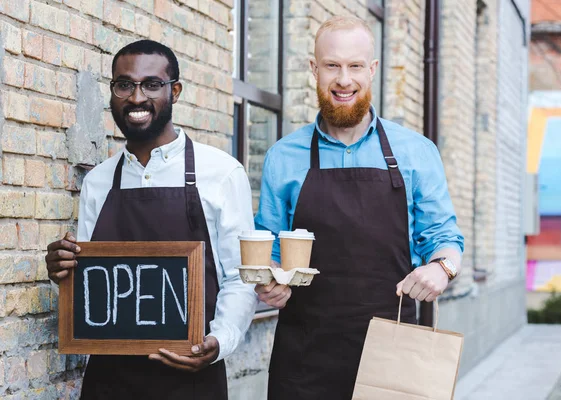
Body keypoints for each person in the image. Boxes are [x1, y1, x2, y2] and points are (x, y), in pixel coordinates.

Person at [254, 16, 465, 400]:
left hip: (394, 352)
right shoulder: (283, 157)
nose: (344, 79)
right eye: (332, 65)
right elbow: (268, 250)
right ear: (314, 69)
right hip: (305, 360)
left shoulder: (416, 152)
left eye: (355, 66)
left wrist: (442, 268)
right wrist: (268, 285)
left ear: (372, 70)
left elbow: (444, 238)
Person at [44, 40, 257, 399]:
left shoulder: (221, 173)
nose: (136, 97)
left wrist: (218, 342)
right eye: (124, 85)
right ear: (112, 92)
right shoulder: (98, 182)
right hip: (109, 381)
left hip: (192, 378)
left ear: (174, 91)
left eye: (151, 84)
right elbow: (94, 287)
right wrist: (62, 272)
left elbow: (241, 277)